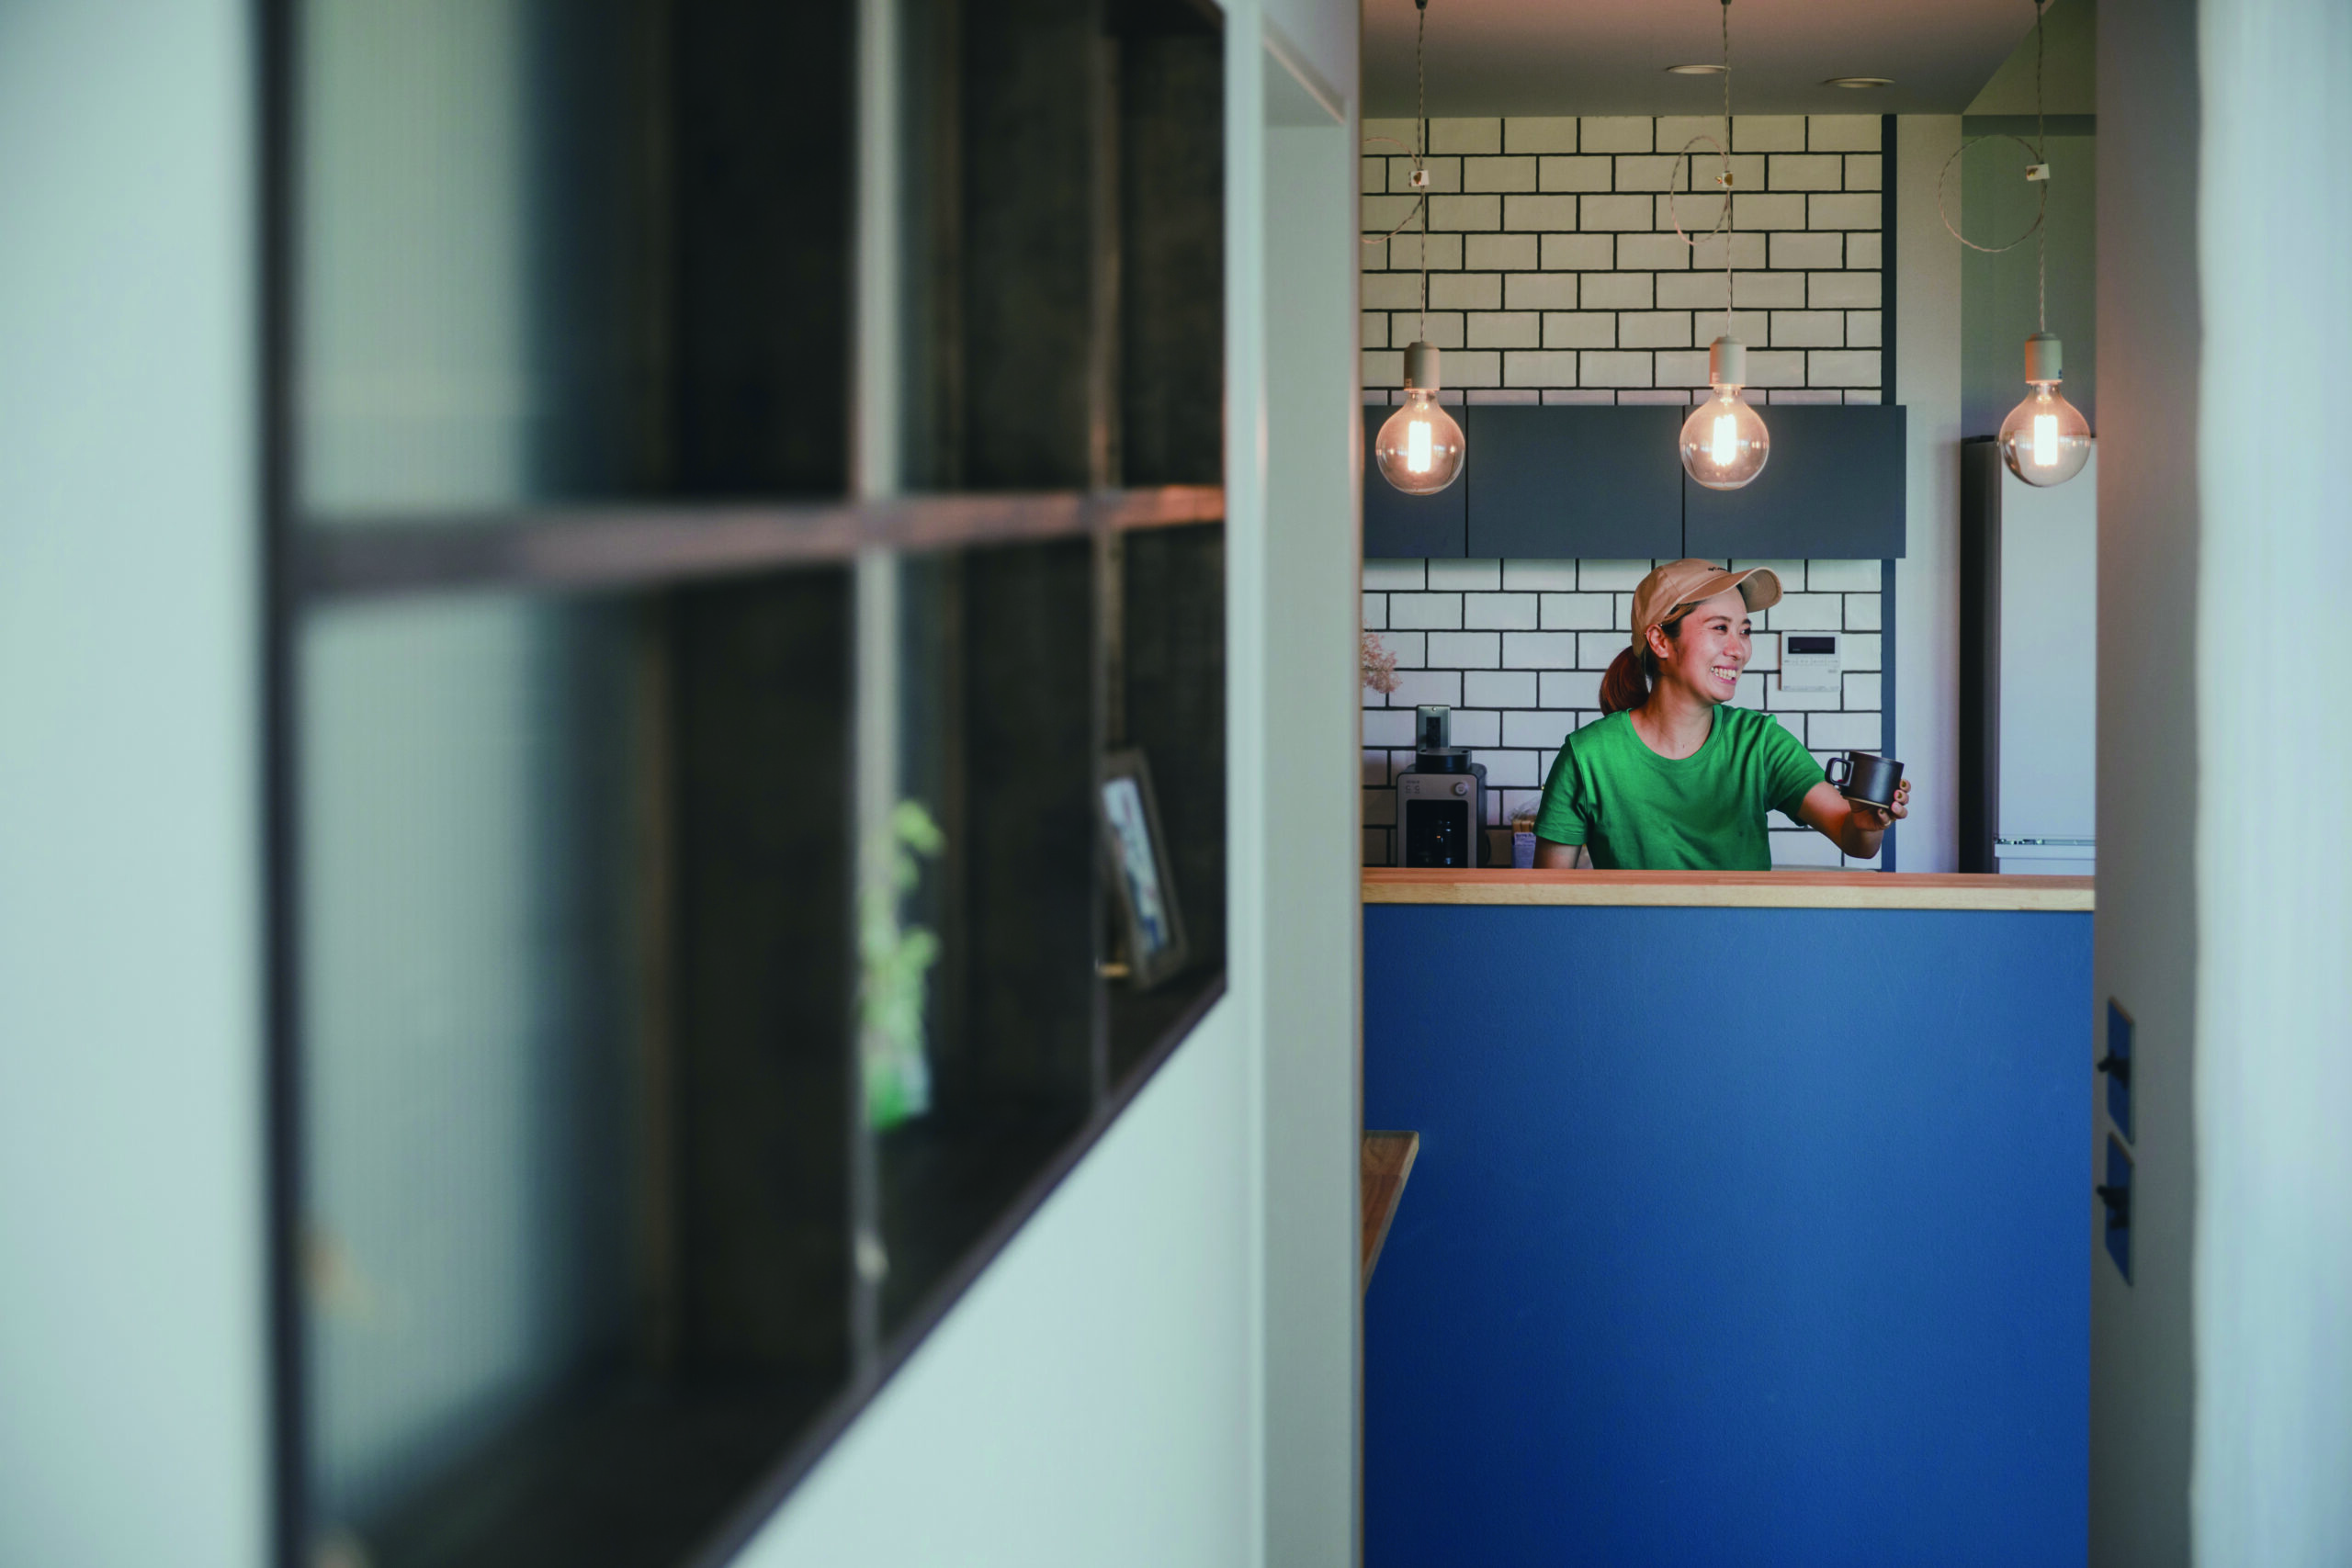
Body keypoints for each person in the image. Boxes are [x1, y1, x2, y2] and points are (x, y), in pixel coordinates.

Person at [1531, 559, 1909, 870]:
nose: (1739, 650)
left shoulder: (1760, 743)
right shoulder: (1587, 756)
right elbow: (1545, 900)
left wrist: (1866, 823)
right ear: (1660, 641)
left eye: (1744, 631)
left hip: (1740, 940)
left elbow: (1853, 839)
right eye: (1719, 628)